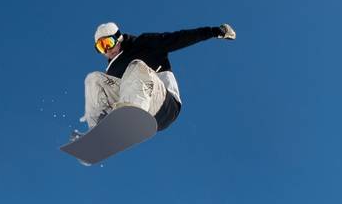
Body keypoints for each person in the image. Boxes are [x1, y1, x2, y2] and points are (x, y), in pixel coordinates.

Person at [83, 21, 236, 134]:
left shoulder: (143, 44)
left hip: (165, 103)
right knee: (93, 79)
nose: (107, 50)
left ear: (119, 38)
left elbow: (178, 38)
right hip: (135, 103)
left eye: (108, 43)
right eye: (101, 47)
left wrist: (214, 31)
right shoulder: (111, 70)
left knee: (136, 66)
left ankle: (129, 115)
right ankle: (97, 126)